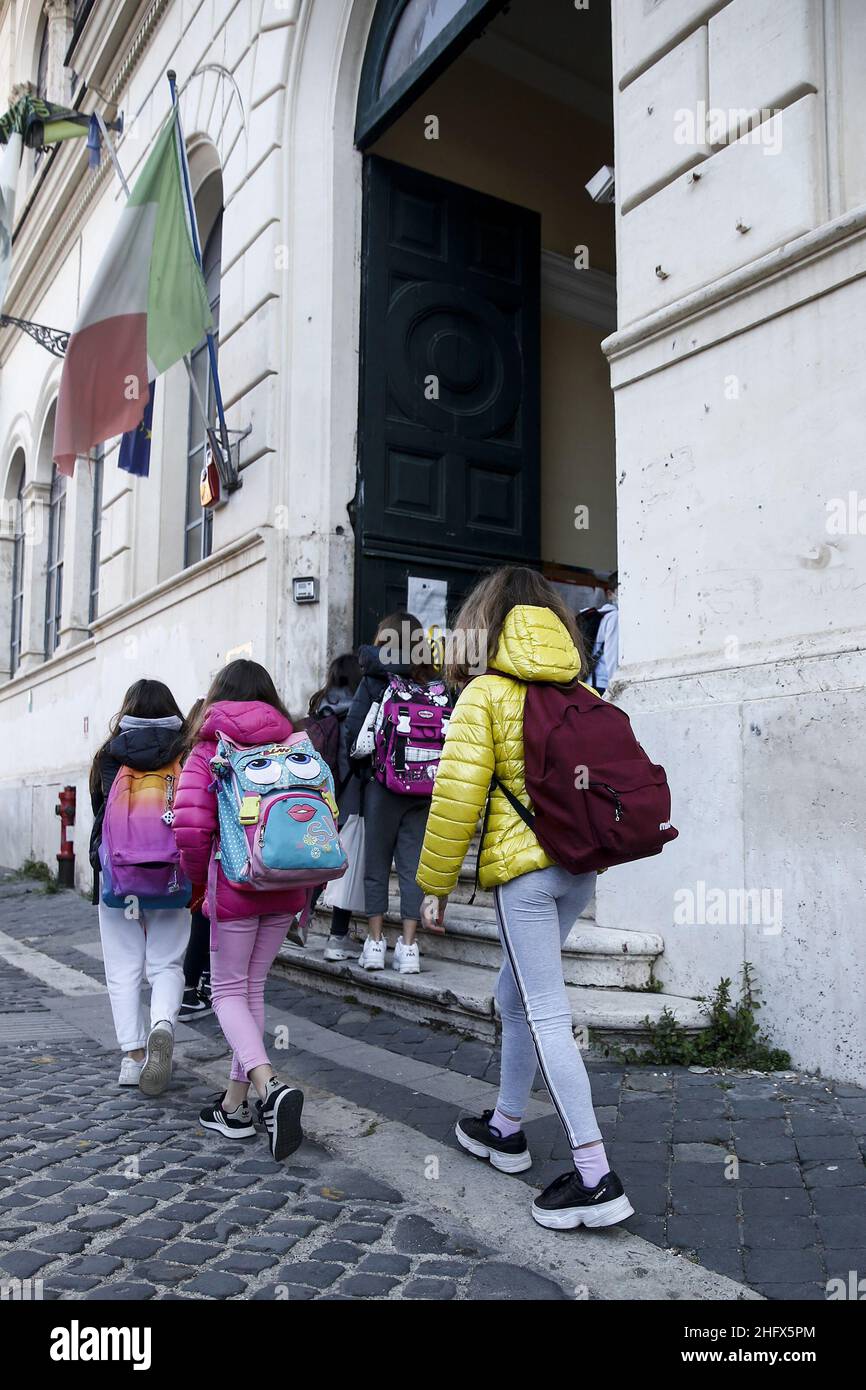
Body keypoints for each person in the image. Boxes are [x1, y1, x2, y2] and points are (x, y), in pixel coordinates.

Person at [416, 566, 634, 1231]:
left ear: (482, 623)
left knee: (542, 1008)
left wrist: (433, 885)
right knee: (513, 995)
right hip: (579, 866)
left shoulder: (485, 694)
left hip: (526, 873)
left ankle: (595, 1175)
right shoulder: (581, 688)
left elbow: (456, 798)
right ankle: (506, 1128)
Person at [172, 659, 306, 1160]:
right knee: (251, 990)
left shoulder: (210, 749)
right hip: (286, 883)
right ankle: (233, 1107)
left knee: (226, 989)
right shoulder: (291, 742)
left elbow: (189, 829)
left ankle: (269, 1087)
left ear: (218, 696)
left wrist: (196, 885)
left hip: (234, 884)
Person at [88, 680, 189, 1094]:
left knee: (123, 966)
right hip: (170, 874)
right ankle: (162, 1024)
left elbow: (99, 817)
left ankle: (132, 1057)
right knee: (166, 963)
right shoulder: (186, 752)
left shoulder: (109, 755)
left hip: (120, 877)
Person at [345, 611, 440, 975]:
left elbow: (354, 736)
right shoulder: (435, 682)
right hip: (424, 785)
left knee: (376, 865)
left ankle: (374, 943)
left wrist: (361, 775)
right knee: (414, 868)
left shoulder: (374, 680)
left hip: (382, 786)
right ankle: (410, 947)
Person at [307, 653, 362, 961]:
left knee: (316, 861)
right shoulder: (360, 706)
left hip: (317, 798)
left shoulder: (318, 705)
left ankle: (298, 919)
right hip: (350, 796)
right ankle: (338, 937)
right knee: (347, 866)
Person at [177, 699, 213, 1021]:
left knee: (202, 917)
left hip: (192, 851)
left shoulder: (186, 754)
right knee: (204, 917)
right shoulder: (205, 755)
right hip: (206, 850)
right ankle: (190, 989)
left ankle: (199, 983)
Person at [591, 571, 619, 696]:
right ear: (610, 594)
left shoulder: (601, 615)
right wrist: (616, 686)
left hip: (590, 683)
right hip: (603, 685)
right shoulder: (615, 617)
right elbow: (612, 656)